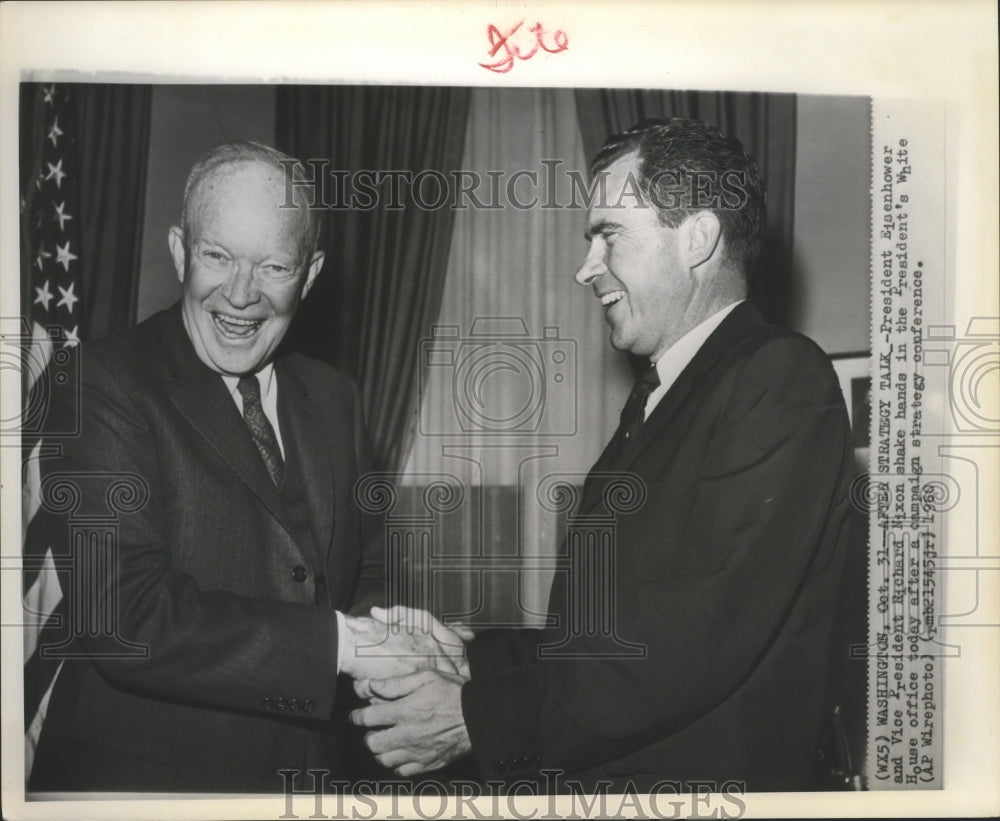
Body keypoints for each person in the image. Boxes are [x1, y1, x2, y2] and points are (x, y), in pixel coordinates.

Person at [349, 118, 855, 792]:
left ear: (697, 238)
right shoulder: (663, 398)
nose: (586, 268)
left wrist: (477, 717)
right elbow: (609, 638)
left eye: (609, 234)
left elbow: (691, 643)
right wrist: (470, 657)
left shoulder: (779, 377)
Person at [27, 140, 466, 793]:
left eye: (274, 266)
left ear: (309, 275)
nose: (241, 294)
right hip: (144, 789)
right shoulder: (98, 383)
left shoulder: (334, 398)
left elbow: (360, 580)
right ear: (180, 252)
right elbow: (126, 617)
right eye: (217, 256)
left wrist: (414, 649)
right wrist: (350, 645)